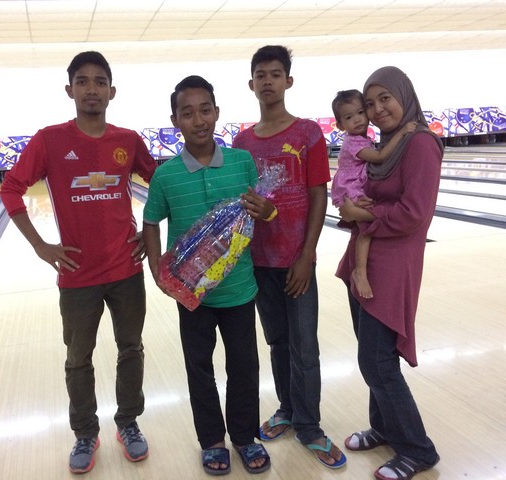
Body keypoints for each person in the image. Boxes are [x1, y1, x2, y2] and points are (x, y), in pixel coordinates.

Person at [0, 51, 156, 474]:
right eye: (83, 81)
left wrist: (150, 233)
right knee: (78, 359)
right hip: (76, 276)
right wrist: (40, 245)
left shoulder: (128, 141)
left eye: (100, 81)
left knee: (131, 348)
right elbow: (11, 188)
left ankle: (128, 422)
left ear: (112, 91)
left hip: (126, 271)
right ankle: (85, 432)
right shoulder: (49, 140)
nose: (92, 89)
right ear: (69, 90)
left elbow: (161, 182)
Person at [143, 75, 271, 476]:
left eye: (205, 110)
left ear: (216, 113)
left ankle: (245, 437)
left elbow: (264, 210)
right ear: (175, 120)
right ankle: (213, 441)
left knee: (244, 368)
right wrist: (157, 269)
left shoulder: (241, 162)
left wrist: (267, 211)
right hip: (191, 295)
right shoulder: (165, 176)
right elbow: (150, 222)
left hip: (239, 289)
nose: (198, 120)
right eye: (188, 113)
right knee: (199, 369)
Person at [232, 45, 346, 470]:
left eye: (275, 74)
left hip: (296, 260)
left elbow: (319, 195)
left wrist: (307, 254)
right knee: (277, 342)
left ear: (288, 81)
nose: (268, 81)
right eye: (261, 75)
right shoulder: (242, 142)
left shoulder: (308, 134)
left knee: (305, 347)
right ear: (251, 84)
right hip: (259, 262)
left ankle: (310, 426)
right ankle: (287, 408)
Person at [336, 66, 442, 480]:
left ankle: (418, 449)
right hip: (365, 260)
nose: (377, 109)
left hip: (391, 266)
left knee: (376, 361)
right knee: (373, 355)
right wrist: (353, 210)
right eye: (370, 103)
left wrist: (363, 213)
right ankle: (383, 427)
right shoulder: (382, 145)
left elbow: (414, 213)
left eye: (385, 98)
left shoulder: (420, 144)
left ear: (404, 96)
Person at [330, 89, 417, 299]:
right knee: (366, 229)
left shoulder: (361, 138)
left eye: (361, 112)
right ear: (340, 125)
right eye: (349, 117)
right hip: (351, 189)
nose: (357, 119)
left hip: (352, 186)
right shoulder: (353, 142)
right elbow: (379, 157)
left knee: (364, 227)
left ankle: (357, 269)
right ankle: (359, 271)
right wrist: (402, 133)